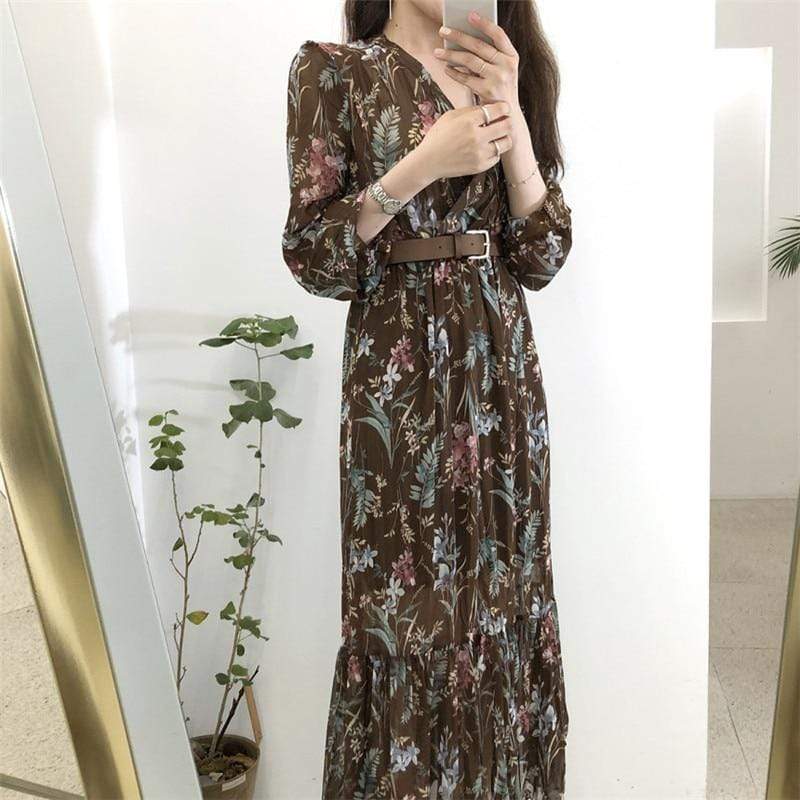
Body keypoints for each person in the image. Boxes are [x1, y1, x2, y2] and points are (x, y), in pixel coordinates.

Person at [282, 1, 573, 797]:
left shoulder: (504, 66)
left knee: (505, 596)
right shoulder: (332, 72)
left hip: (499, 379)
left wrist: (513, 117)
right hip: (396, 383)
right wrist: (421, 163)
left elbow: (543, 256)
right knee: (401, 604)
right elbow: (314, 258)